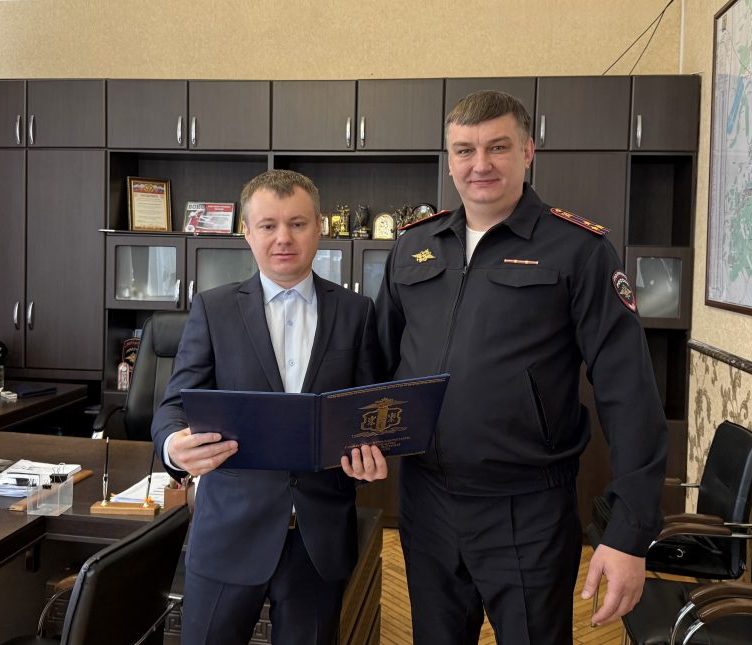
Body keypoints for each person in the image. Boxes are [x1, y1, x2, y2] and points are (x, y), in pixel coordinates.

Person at [375, 91, 668, 644]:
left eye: (498, 147)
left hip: (528, 508)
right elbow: (379, 363)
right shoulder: (414, 246)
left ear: (528, 151)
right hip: (426, 501)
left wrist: (629, 530)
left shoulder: (578, 250)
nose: (479, 164)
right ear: (449, 158)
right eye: (464, 150)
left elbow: (628, 392)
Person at [152, 169, 388, 645]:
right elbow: (174, 405)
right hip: (229, 532)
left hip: (318, 540)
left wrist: (371, 456)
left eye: (297, 224)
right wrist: (175, 446)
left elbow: (368, 413)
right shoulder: (213, 309)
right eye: (268, 225)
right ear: (247, 231)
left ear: (319, 227)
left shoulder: (357, 312)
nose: (284, 238)